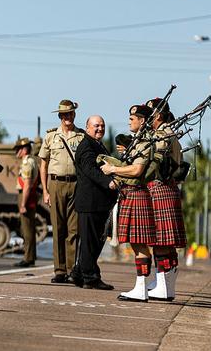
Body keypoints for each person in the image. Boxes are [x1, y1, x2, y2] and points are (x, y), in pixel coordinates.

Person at [101, 105, 156, 302]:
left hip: (137, 194)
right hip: (130, 194)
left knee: (139, 244)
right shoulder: (138, 142)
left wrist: (113, 170)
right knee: (136, 244)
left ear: (143, 121)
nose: (129, 121)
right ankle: (140, 286)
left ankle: (141, 288)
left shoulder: (145, 143)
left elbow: (137, 170)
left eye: (133, 118)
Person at [38, 99, 84, 283]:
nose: (68, 117)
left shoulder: (81, 136)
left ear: (74, 115)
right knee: (57, 227)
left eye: (70, 113)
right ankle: (59, 270)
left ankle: (72, 269)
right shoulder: (51, 136)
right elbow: (43, 164)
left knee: (74, 229)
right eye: (64, 114)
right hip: (56, 184)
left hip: (75, 184)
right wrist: (45, 191)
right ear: (59, 116)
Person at [145, 98, 186, 301]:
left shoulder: (162, 135)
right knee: (162, 241)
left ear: (158, 115)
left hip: (160, 187)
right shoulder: (165, 133)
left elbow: (154, 163)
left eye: (149, 113)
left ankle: (164, 284)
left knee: (161, 240)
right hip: (165, 188)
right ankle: (163, 283)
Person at [70, 115, 117, 290]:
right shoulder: (86, 146)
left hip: (98, 202)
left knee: (95, 241)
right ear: (87, 127)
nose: (100, 129)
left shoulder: (97, 145)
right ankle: (90, 277)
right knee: (91, 242)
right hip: (89, 202)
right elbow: (90, 169)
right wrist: (108, 182)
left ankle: (78, 273)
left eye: (102, 125)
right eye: (96, 125)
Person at [13, 137, 39, 268]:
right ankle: (30, 256)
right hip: (28, 195)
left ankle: (28, 258)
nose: (16, 152)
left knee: (27, 229)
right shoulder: (30, 161)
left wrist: (23, 204)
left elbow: (27, 184)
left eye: (18, 149)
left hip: (26, 196)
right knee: (28, 228)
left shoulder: (27, 162)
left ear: (23, 150)